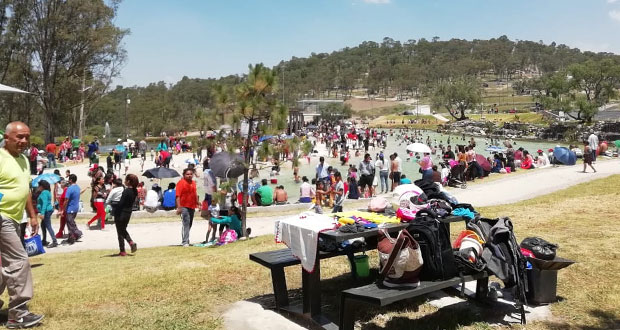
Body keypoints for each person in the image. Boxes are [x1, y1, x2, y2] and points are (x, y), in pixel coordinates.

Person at [0, 121, 45, 328]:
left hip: (15, 218)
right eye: (19, 137)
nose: (24, 141)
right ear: (7, 137)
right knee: (19, 261)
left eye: (27, 137)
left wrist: (32, 215)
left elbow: (25, 188)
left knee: (7, 264)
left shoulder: (24, 160)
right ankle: (18, 314)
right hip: (2, 218)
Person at [114, 174, 139, 256]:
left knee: (120, 231)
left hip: (121, 213)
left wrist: (114, 207)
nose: (124, 181)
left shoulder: (126, 191)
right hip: (128, 213)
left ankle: (125, 248)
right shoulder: (135, 191)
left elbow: (121, 203)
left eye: (125, 180)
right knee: (123, 230)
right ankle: (126, 247)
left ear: (128, 181)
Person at [176, 168, 199, 247]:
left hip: (192, 206)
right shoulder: (181, 183)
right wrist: (179, 207)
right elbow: (178, 196)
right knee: (186, 223)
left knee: (190, 223)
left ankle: (187, 239)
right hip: (184, 206)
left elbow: (195, 193)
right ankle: (185, 241)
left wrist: (197, 202)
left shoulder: (193, 183)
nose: (189, 176)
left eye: (191, 174)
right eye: (187, 174)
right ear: (184, 175)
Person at [36, 180, 58, 248]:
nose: (38, 187)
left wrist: (42, 213)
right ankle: (44, 240)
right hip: (48, 210)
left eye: (39, 186)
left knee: (48, 226)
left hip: (46, 211)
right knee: (43, 225)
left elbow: (45, 203)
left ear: (42, 186)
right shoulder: (47, 192)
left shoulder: (44, 193)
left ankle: (54, 241)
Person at [64, 174, 83, 244]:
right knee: (71, 222)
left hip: (70, 208)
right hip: (75, 208)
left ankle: (77, 234)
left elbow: (66, 199)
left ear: (71, 180)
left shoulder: (70, 188)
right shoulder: (77, 187)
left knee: (70, 223)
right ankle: (72, 237)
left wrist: (63, 208)